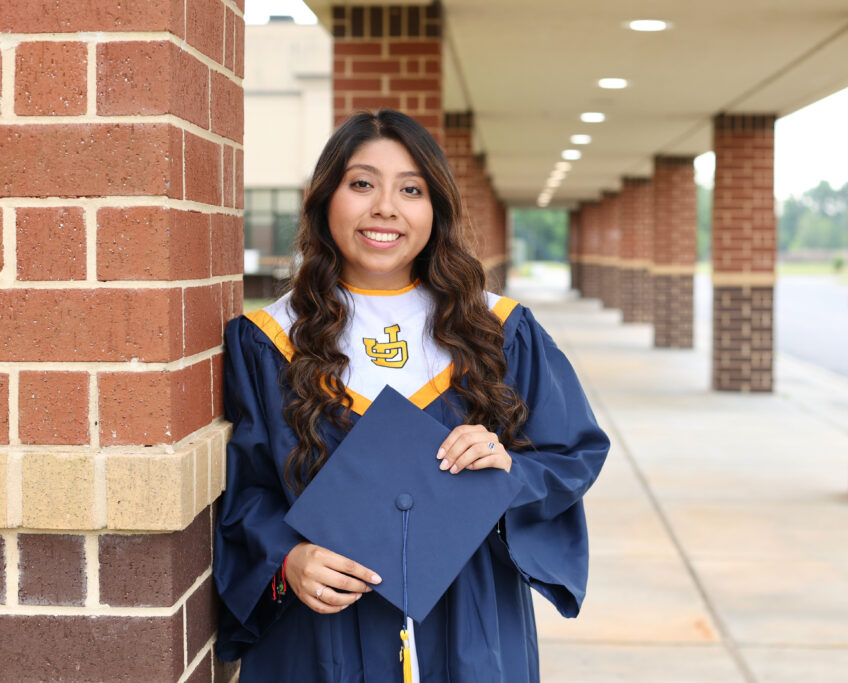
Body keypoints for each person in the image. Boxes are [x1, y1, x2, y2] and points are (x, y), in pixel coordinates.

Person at [213, 109, 609, 682]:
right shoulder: (268, 342)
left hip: (468, 619)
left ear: (435, 209)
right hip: (322, 628)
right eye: (362, 184)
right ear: (326, 198)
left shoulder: (500, 331)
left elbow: (570, 453)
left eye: (411, 189)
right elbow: (246, 491)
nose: (385, 208)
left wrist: (508, 469)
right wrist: (288, 561)